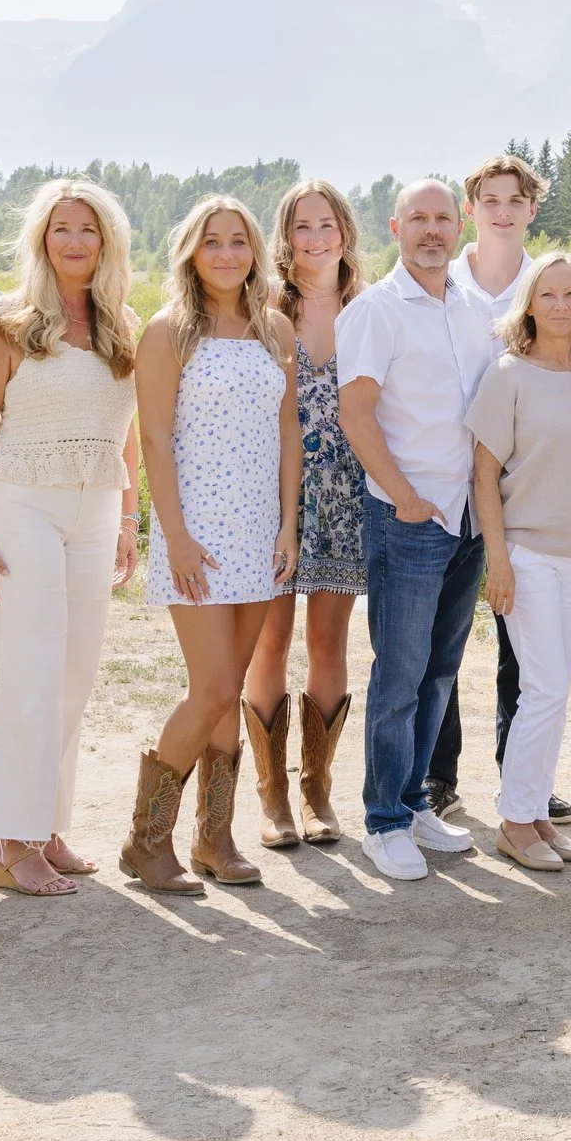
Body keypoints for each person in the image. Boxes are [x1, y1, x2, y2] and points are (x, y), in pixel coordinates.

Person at [0, 177, 142, 898]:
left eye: (87, 229)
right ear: (42, 237)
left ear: (107, 242)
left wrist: (129, 518)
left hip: (96, 510)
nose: (74, 240)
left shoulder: (122, 322)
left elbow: (126, 433)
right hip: (21, 504)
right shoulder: (2, 319)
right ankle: (10, 838)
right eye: (61, 227)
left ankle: (48, 822)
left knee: (76, 673)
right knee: (30, 670)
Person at [123, 197, 303, 894]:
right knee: (215, 688)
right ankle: (146, 840)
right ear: (191, 252)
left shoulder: (275, 329)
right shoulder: (169, 333)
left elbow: (289, 432)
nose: (226, 253)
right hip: (195, 533)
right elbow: (155, 440)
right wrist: (175, 537)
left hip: (260, 533)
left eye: (238, 241)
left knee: (230, 692)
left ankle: (214, 839)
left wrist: (287, 524)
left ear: (255, 250)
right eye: (212, 242)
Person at [335, 178, 499, 882]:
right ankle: (384, 820)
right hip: (409, 516)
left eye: (443, 218)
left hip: (469, 516)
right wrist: (403, 498)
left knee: (439, 671)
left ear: (460, 224)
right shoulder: (375, 311)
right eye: (418, 219)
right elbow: (357, 413)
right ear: (396, 226)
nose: (432, 230)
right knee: (399, 674)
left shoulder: (477, 307)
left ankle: (416, 800)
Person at [465, 252, 571, 872]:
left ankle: (533, 815)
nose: (561, 305)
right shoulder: (507, 375)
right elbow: (483, 475)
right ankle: (512, 820)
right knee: (544, 686)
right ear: (529, 303)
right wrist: (496, 560)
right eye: (548, 295)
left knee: (555, 690)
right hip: (526, 553)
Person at [430, 154, 571, 825]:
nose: (502, 211)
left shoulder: (545, 285)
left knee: (527, 650)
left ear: (531, 208)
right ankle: (438, 777)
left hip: (524, 495)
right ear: (472, 208)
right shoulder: (443, 282)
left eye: (515, 200)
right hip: (441, 486)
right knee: (442, 642)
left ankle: (525, 777)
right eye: (490, 199)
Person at [241, 179, 364, 849]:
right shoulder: (264, 309)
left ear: (345, 231)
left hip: (346, 497)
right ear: (286, 238)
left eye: (326, 223)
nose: (315, 237)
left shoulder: (370, 310)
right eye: (302, 226)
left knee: (327, 643)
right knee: (269, 641)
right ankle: (272, 796)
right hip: (275, 495)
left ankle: (316, 787)